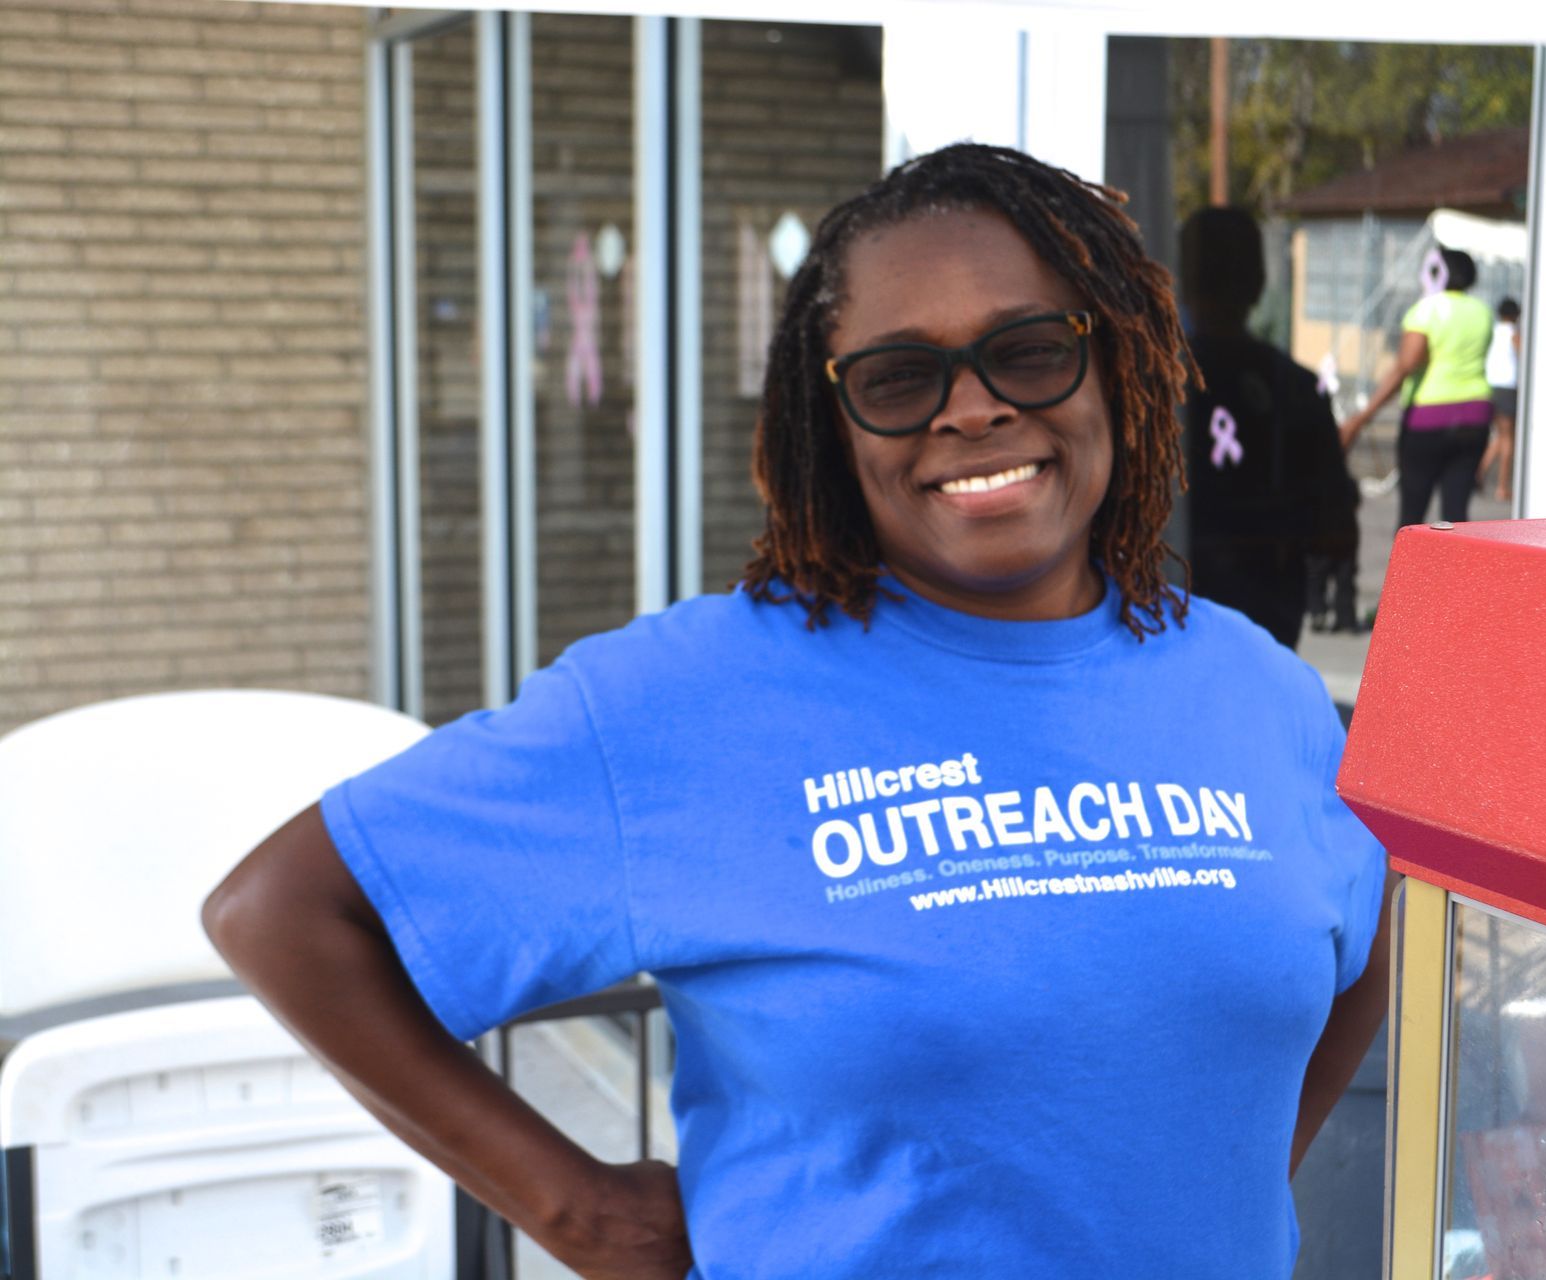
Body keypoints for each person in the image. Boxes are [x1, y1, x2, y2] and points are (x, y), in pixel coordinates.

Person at [203, 144, 1391, 1280]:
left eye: (1029, 351)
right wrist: (583, 1212)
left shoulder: (1258, 688)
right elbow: (287, 912)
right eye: (898, 377)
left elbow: (1361, 949)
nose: (972, 409)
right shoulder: (688, 699)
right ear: (832, 421)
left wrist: (1225, 1186)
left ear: (1112, 364)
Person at [1178, 207, 1358, 646]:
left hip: (1180, 591)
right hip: (1269, 597)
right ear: (1259, 282)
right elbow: (1336, 525)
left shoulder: (1152, 384)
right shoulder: (1295, 386)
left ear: (1180, 279)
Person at [1339, 248, 1495, 527]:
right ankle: (1458, 558)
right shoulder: (1483, 311)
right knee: (1457, 516)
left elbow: (1406, 365)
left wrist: (1362, 417)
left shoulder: (1425, 310)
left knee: (1412, 515)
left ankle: (1408, 559)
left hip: (1428, 418)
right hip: (1476, 415)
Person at [1479, 296, 1521, 502]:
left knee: (1499, 436)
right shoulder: (1514, 333)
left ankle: (1479, 474)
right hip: (1508, 388)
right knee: (1508, 438)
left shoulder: (1492, 331)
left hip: (1491, 386)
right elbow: (1524, 356)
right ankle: (1502, 487)